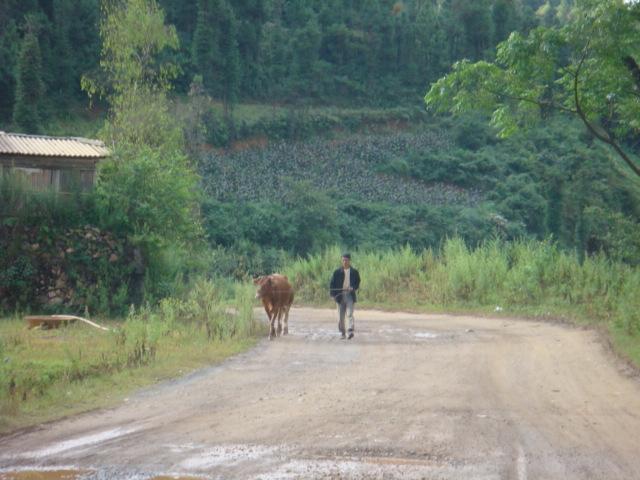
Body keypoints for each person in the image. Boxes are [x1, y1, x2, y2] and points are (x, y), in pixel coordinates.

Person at [329, 252, 361, 339]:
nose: (344, 262)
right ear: (341, 261)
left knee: (350, 313)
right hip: (339, 296)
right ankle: (342, 333)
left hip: (350, 295)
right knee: (340, 317)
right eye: (343, 260)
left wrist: (353, 287)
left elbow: (357, 282)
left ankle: (350, 330)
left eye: (346, 260)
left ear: (349, 261)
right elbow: (332, 284)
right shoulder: (336, 272)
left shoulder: (354, 272)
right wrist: (332, 295)